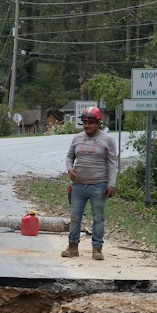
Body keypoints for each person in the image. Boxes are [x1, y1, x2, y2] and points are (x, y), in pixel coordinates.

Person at [62, 106, 117, 260]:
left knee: (98, 217)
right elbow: (69, 156)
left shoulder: (108, 140)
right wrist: (69, 169)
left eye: (91, 123)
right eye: (85, 122)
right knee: (74, 217)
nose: (87, 126)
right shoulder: (77, 138)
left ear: (99, 123)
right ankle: (72, 247)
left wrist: (111, 184)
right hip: (78, 186)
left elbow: (113, 163)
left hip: (98, 185)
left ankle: (97, 249)